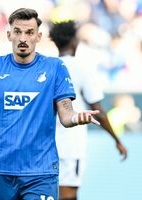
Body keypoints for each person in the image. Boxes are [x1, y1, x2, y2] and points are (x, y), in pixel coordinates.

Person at [0, 8, 100, 200]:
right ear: (9, 35)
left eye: (29, 32)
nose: (23, 38)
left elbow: (66, 113)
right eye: (18, 32)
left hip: (41, 172)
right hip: (0, 171)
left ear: (38, 36)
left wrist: (76, 117)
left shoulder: (55, 68)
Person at [49, 20, 128, 200]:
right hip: (69, 145)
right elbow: (97, 110)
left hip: (46, 145)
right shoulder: (81, 67)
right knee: (68, 195)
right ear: (74, 42)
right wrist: (117, 139)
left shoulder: (47, 67)